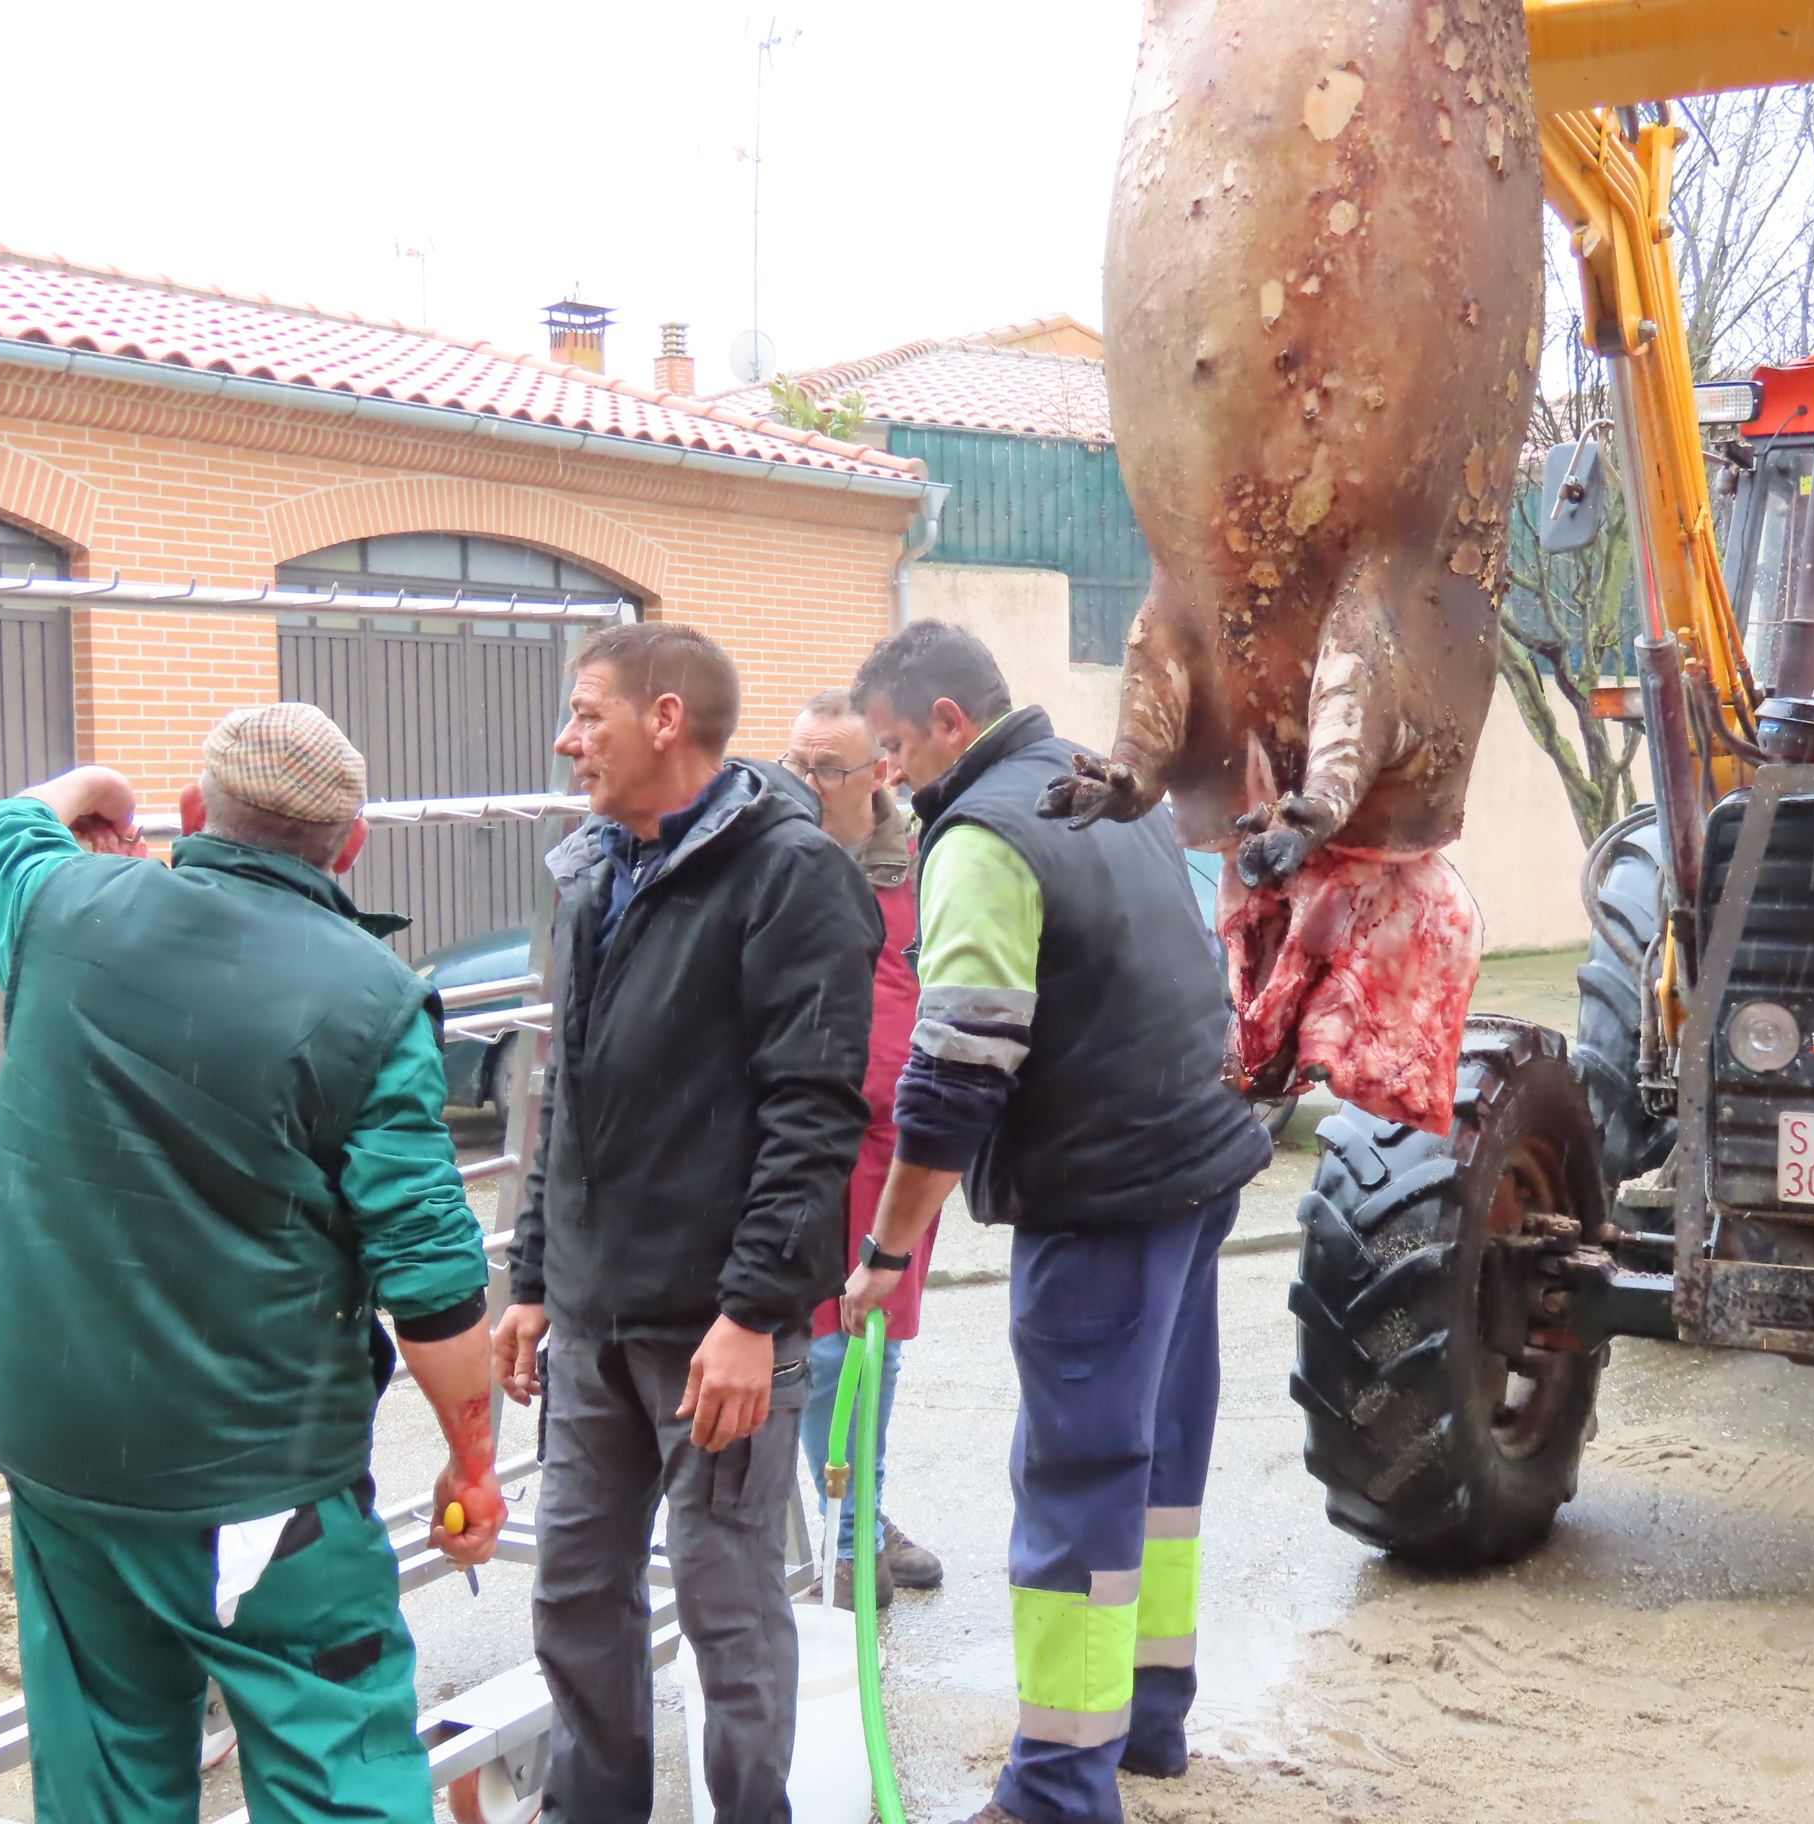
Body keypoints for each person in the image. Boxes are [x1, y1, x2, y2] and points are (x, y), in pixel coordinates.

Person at [0, 703, 503, 1824]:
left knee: (106, 1762)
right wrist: (469, 1462)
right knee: (330, 1756)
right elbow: (432, 1277)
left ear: (192, 815)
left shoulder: (65, 902)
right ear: (349, 848)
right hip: (255, 1483)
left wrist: (92, 784)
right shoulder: (370, 1001)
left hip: (55, 1446)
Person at [840, 621, 1272, 1824]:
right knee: (1158, 1459)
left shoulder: (979, 835)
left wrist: (883, 1250)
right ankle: (1148, 1720)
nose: (885, 776)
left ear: (944, 725)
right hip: (1195, 1162)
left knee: (1077, 1474)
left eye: (888, 748)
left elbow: (959, 1065)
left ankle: (1056, 1788)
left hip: (1101, 1191)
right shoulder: (1093, 778)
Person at [494, 623, 880, 1824]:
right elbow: (568, 1094)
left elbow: (811, 1112)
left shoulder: (788, 875)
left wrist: (756, 1315)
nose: (567, 741)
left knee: (728, 1614)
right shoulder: (597, 869)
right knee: (571, 1597)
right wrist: (531, 1276)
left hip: (713, 1332)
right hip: (594, 1326)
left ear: (666, 720)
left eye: (586, 714)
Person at [781, 689, 945, 1611]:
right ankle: (846, 1531)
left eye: (828, 768)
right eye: (798, 761)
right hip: (806, 1136)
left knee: (873, 1335)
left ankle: (860, 1518)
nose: (807, 782)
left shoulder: (920, 865)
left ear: (879, 773)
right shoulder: (773, 853)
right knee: (827, 1343)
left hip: (897, 1143)